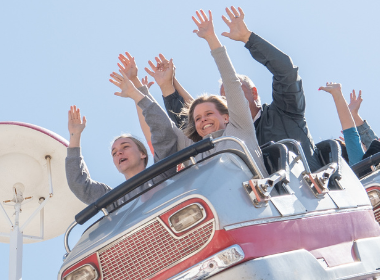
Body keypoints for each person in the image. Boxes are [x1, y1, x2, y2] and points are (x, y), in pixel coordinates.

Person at [158, 6, 320, 169]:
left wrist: (248, 38)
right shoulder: (227, 135)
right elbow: (190, 121)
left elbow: (287, 73)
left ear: (254, 93)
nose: (229, 100)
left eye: (235, 93)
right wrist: (169, 85)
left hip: (308, 187)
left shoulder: (284, 111)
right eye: (224, 99)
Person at [110, 10, 265, 174]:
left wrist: (211, 38)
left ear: (226, 116)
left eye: (208, 113)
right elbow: (162, 125)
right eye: (197, 118)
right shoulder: (193, 149)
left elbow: (231, 81)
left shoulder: (239, 129)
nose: (203, 119)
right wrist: (138, 89)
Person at [64, 104, 150, 206]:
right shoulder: (116, 199)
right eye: (114, 153)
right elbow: (79, 185)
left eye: (125, 147)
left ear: (142, 153)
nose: (119, 153)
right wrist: (75, 135)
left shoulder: (165, 173)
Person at [318, 81, 364, 165]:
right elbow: (351, 134)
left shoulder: (358, 168)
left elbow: (351, 134)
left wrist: (337, 94)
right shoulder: (359, 168)